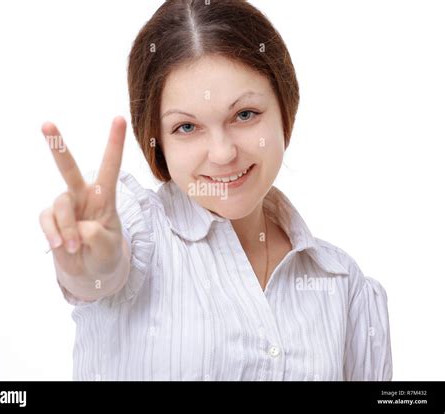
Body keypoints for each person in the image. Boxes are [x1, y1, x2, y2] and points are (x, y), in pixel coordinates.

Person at [39, 0, 392, 381]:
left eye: (245, 115)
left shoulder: (342, 285)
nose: (223, 153)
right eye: (187, 127)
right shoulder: (138, 236)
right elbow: (100, 272)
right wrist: (90, 263)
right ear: (157, 138)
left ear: (284, 111)